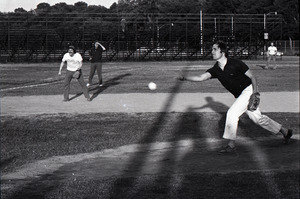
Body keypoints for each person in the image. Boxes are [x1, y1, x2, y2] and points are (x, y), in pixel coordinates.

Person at [179, 41, 293, 153]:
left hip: (249, 91)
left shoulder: (236, 63)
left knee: (232, 113)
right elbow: (201, 77)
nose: (212, 51)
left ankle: (231, 145)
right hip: (241, 95)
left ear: (222, 51)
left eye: (214, 49)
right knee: (257, 118)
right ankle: (286, 132)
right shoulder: (216, 69)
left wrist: (255, 92)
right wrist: (185, 78)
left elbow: (253, 77)